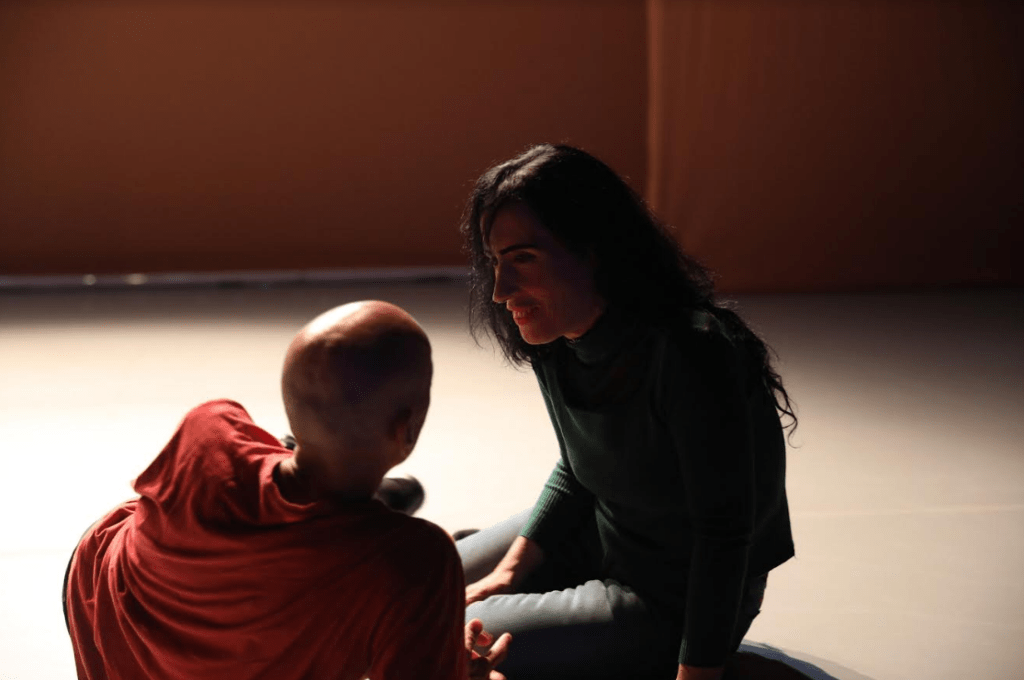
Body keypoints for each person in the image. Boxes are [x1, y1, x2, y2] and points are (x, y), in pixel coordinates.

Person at [455, 144, 797, 680]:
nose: (500, 291)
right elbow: (579, 467)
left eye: (523, 259)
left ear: (594, 250)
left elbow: (725, 537)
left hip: (669, 595)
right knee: (421, 581)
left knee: (441, 630)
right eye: (496, 261)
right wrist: (509, 571)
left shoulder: (693, 353)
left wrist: (698, 672)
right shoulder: (555, 336)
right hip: (605, 527)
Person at [64, 300, 511, 680]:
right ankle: (363, 499)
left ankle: (350, 488)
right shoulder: (417, 561)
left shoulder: (209, 427)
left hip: (99, 604)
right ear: (406, 429)